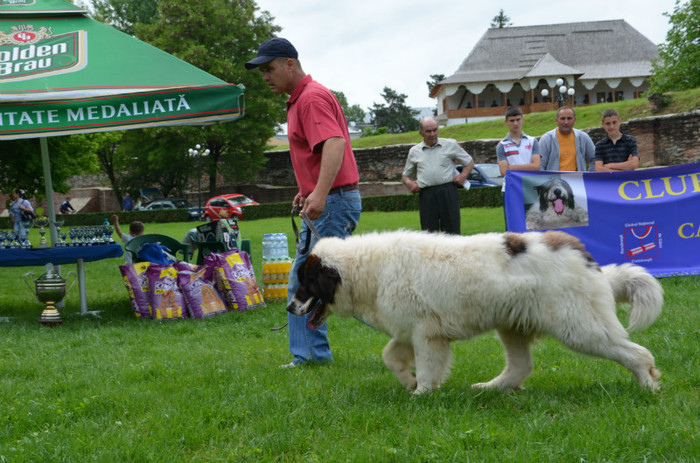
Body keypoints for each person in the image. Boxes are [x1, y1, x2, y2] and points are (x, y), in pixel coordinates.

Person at [246, 37, 362, 368]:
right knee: (335, 280)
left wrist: (321, 193)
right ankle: (311, 355)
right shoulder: (301, 100)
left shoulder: (310, 99)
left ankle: (311, 356)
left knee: (318, 282)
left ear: (290, 65)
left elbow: (335, 144)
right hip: (333, 199)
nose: (265, 76)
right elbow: (317, 150)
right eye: (262, 71)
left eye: (269, 68)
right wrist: (308, 189)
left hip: (335, 202)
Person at [402, 116, 473, 234]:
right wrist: (409, 183)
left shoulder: (450, 144)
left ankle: (452, 253)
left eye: (435, 130)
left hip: (448, 192)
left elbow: (469, 162)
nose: (432, 134)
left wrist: (463, 176)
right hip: (427, 195)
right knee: (429, 235)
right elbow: (405, 175)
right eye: (428, 131)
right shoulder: (414, 151)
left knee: (452, 233)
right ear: (421, 133)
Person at [539, 106, 595, 172]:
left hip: (577, 181)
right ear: (556, 120)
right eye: (562, 119)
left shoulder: (583, 137)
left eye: (569, 118)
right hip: (553, 181)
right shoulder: (546, 139)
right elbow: (540, 165)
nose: (566, 122)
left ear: (574, 120)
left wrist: (589, 176)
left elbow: (595, 158)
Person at [497, 106, 541, 178]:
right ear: (506, 122)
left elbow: (536, 167)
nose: (515, 123)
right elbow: (504, 172)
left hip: (529, 185)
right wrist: (529, 167)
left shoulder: (533, 141)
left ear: (522, 120)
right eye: (512, 120)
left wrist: (512, 167)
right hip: (511, 186)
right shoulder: (502, 145)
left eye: (518, 120)